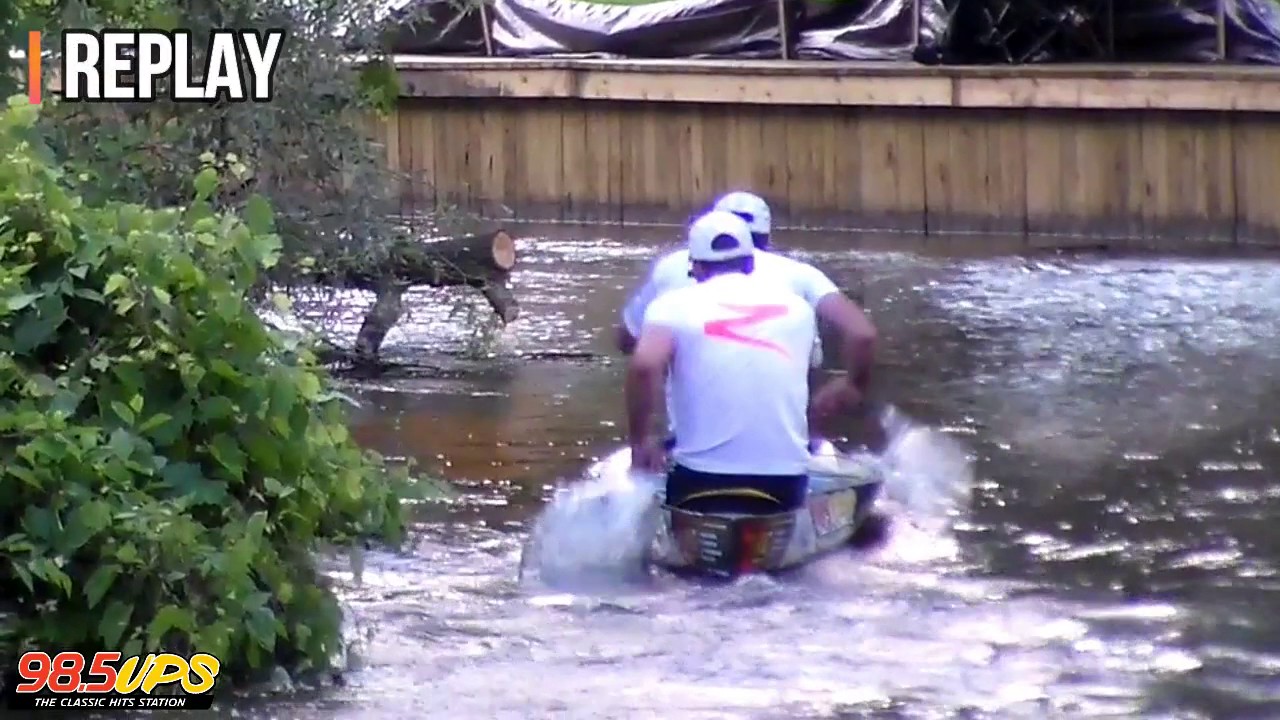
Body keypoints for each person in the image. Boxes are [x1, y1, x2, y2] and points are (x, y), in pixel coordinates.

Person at [615, 191, 876, 430]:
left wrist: (641, 442)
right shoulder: (801, 277)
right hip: (788, 452)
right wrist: (853, 386)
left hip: (692, 452)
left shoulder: (670, 275)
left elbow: (631, 345)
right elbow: (862, 334)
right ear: (765, 240)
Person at [625, 210, 819, 511]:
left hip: (701, 481)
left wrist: (641, 444)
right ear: (752, 263)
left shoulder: (670, 307)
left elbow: (644, 367)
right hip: (785, 482)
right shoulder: (799, 309)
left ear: (696, 267)